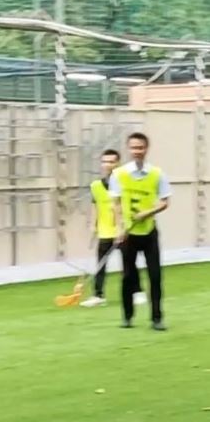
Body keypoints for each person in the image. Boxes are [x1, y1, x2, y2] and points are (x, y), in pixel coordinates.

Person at [109, 132, 171, 330]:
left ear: (146, 149)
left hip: (149, 232)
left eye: (140, 147)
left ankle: (157, 318)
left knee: (155, 276)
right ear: (129, 149)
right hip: (128, 233)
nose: (137, 151)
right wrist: (119, 227)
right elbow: (116, 204)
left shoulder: (157, 174)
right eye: (134, 147)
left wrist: (147, 213)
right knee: (127, 276)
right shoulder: (118, 174)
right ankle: (127, 317)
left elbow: (165, 202)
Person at [81, 149, 143, 308]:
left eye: (111, 162)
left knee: (128, 263)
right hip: (105, 231)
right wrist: (93, 225)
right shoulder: (95, 186)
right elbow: (95, 206)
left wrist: (124, 227)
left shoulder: (126, 184)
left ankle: (137, 292)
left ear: (118, 164)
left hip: (123, 231)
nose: (107, 165)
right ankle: (98, 295)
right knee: (100, 264)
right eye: (104, 162)